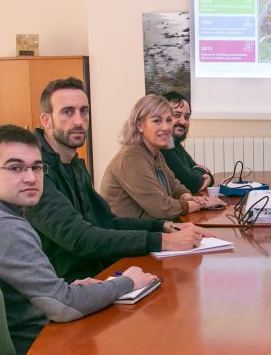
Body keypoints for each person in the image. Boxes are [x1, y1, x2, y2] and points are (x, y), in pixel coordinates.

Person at [0, 125, 158, 355]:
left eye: (37, 167)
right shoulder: (2, 227)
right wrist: (127, 282)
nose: (31, 178)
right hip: (41, 343)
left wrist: (64, 290)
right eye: (15, 168)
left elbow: (51, 294)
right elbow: (64, 306)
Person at [24, 77, 212, 283]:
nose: (78, 121)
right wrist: (161, 240)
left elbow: (106, 221)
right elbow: (81, 239)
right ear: (46, 120)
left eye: (84, 111)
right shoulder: (36, 172)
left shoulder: (72, 163)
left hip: (98, 271)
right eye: (67, 111)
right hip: (69, 286)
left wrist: (164, 227)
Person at [101, 94, 226, 220]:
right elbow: (162, 208)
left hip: (150, 229)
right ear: (139, 125)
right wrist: (199, 204)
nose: (166, 128)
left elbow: (175, 186)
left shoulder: (155, 153)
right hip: (131, 235)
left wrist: (188, 197)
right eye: (157, 121)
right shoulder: (131, 159)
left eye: (169, 120)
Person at [161, 91, 214, 194]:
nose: (183, 122)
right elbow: (191, 183)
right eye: (177, 115)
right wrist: (202, 170)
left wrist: (210, 178)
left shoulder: (175, 144)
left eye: (186, 117)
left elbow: (195, 170)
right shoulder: (163, 148)